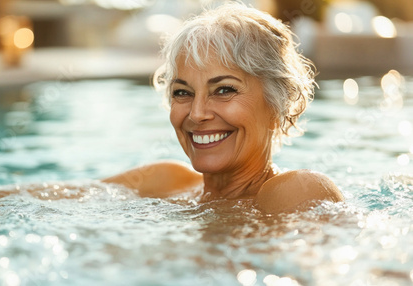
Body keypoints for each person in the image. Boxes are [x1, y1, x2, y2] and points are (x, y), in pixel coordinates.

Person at [103, 2, 344, 213]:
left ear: (277, 103)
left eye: (224, 90)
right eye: (183, 92)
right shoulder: (165, 182)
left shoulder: (297, 190)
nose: (197, 114)